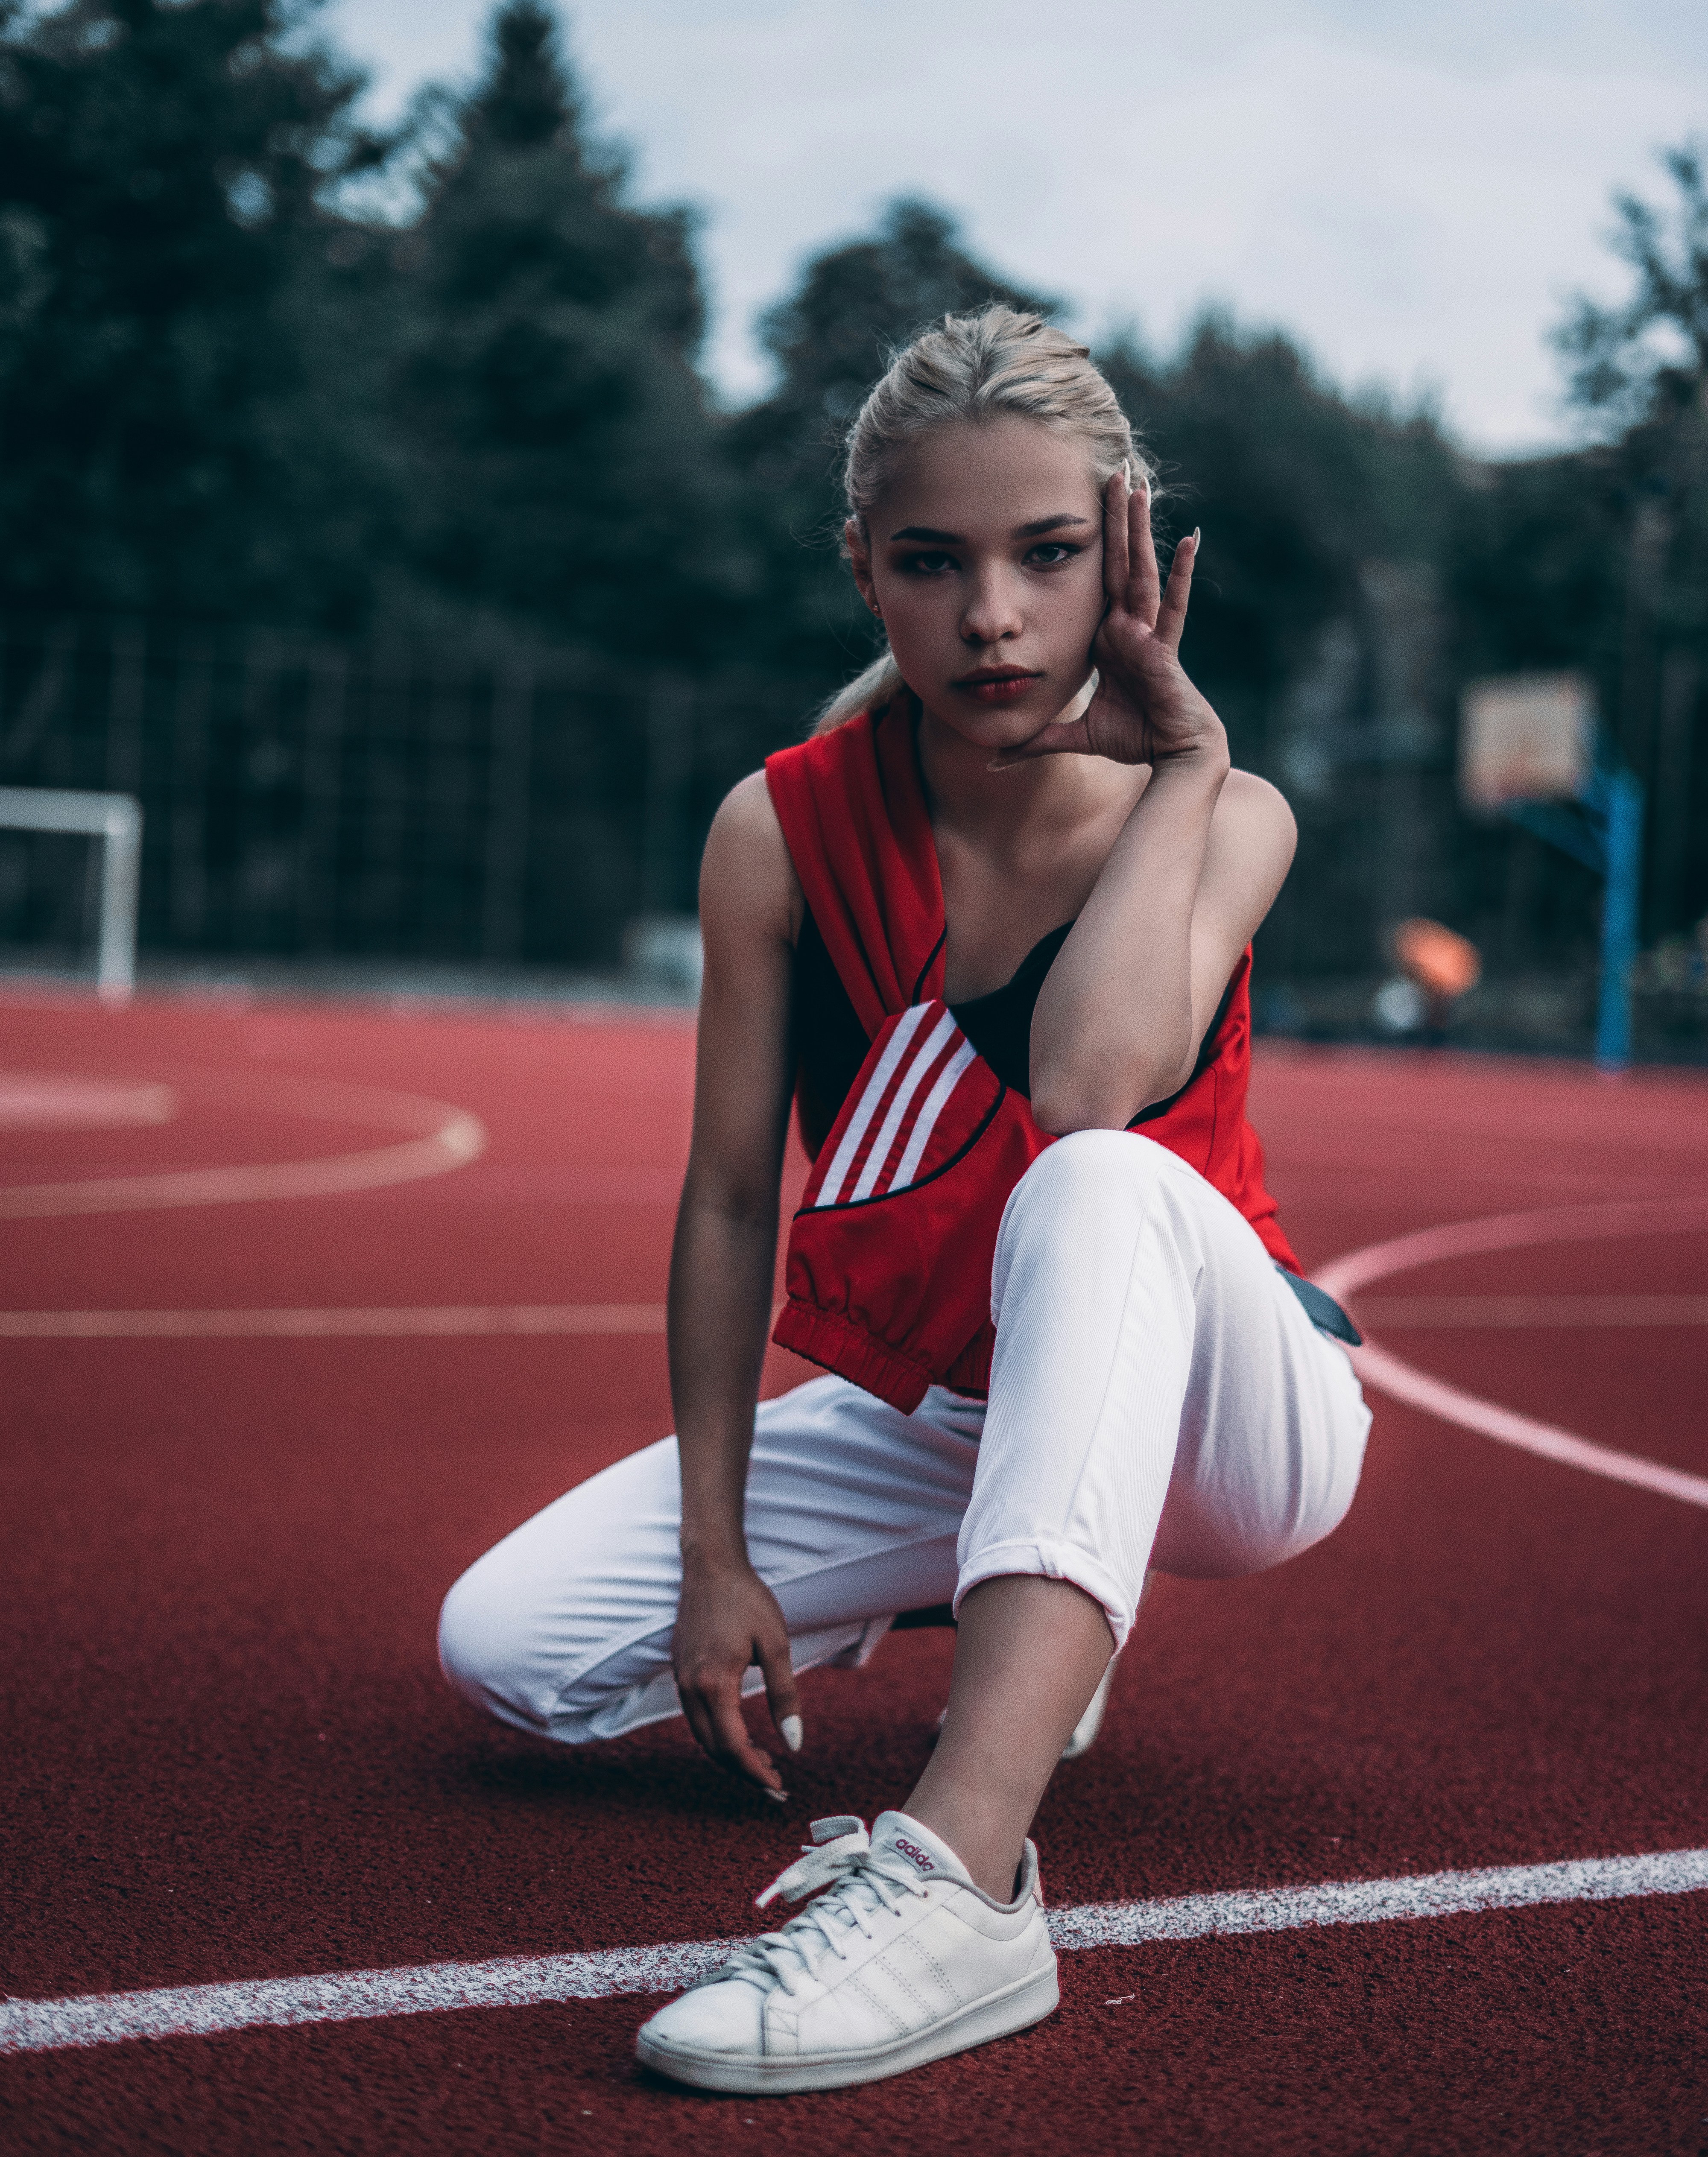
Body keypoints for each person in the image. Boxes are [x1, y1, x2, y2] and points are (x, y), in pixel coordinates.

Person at [437, 307, 1371, 2096]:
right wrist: (717, 1561)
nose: (993, 617)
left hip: (1232, 1420)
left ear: (1124, 557)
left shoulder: (1230, 810)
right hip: (960, 1404)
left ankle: (965, 1881)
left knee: (1093, 1182)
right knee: (510, 1651)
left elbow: (1094, 1089)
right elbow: (727, 1202)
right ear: (865, 569)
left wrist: (1177, 767)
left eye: (1043, 557)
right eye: (933, 563)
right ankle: (1026, 1602)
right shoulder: (778, 832)